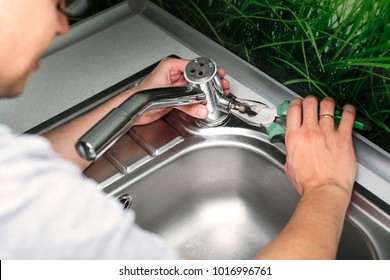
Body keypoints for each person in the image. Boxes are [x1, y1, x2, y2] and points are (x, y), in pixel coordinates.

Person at [0, 0, 356, 259]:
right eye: (58, 4)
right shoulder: (32, 210)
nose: (62, 26)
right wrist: (327, 187)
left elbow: (23, 170)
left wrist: (134, 103)